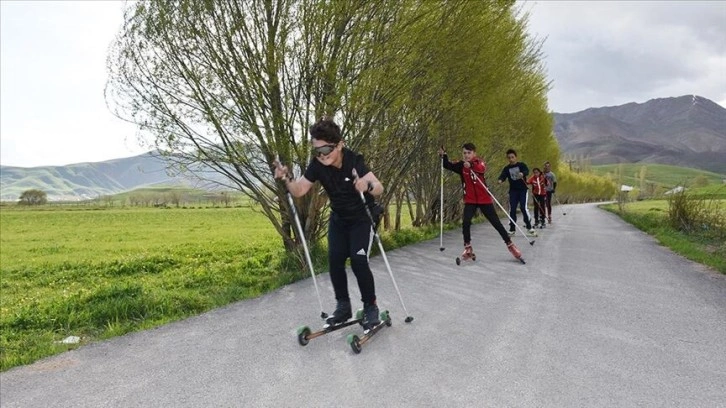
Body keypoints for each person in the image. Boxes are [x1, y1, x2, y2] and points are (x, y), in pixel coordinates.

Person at [274, 117, 384, 330]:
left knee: (358, 261)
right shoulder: (317, 165)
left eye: (326, 149)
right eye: (317, 150)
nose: (322, 155)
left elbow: (379, 187)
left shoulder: (354, 161)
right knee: (334, 260)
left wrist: (366, 184)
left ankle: (371, 307)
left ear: (340, 144)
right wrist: (286, 178)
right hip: (339, 219)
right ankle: (343, 307)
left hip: (362, 217)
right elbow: (299, 190)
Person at [438, 143, 522, 261]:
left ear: (474, 153)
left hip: (484, 199)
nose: (467, 155)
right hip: (470, 200)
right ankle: (468, 247)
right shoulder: (461, 165)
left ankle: (510, 245)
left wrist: (470, 165)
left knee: (496, 223)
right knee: (466, 222)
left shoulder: (479, 162)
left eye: (469, 153)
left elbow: (481, 169)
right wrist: (443, 156)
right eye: (465, 153)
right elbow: (447, 165)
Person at [497, 149, 535, 235]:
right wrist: (500, 180)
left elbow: (527, 171)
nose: (511, 159)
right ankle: (512, 228)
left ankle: (529, 227)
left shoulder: (521, 165)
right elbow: (503, 176)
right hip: (513, 191)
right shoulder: (507, 168)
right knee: (512, 209)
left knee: (523, 208)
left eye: (512, 157)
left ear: (515, 157)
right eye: (509, 158)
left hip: (522, 190)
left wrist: (523, 173)